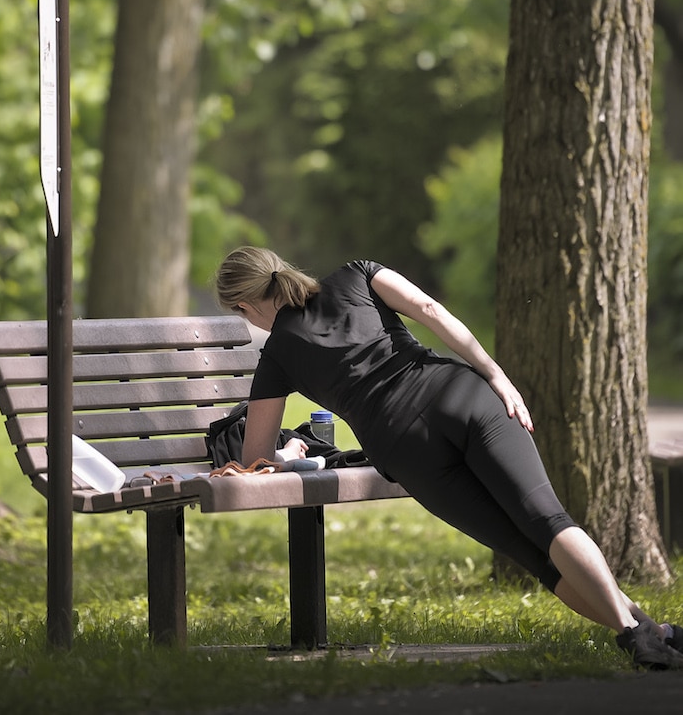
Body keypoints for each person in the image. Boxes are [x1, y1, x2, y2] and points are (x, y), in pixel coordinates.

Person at [213, 245, 683, 671]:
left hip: (407, 448)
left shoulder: (276, 357)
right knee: (547, 519)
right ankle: (648, 634)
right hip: (459, 395)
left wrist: (288, 450)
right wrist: (496, 374)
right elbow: (429, 309)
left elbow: (256, 454)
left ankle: (642, 634)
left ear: (244, 306)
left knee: (533, 556)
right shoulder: (356, 274)